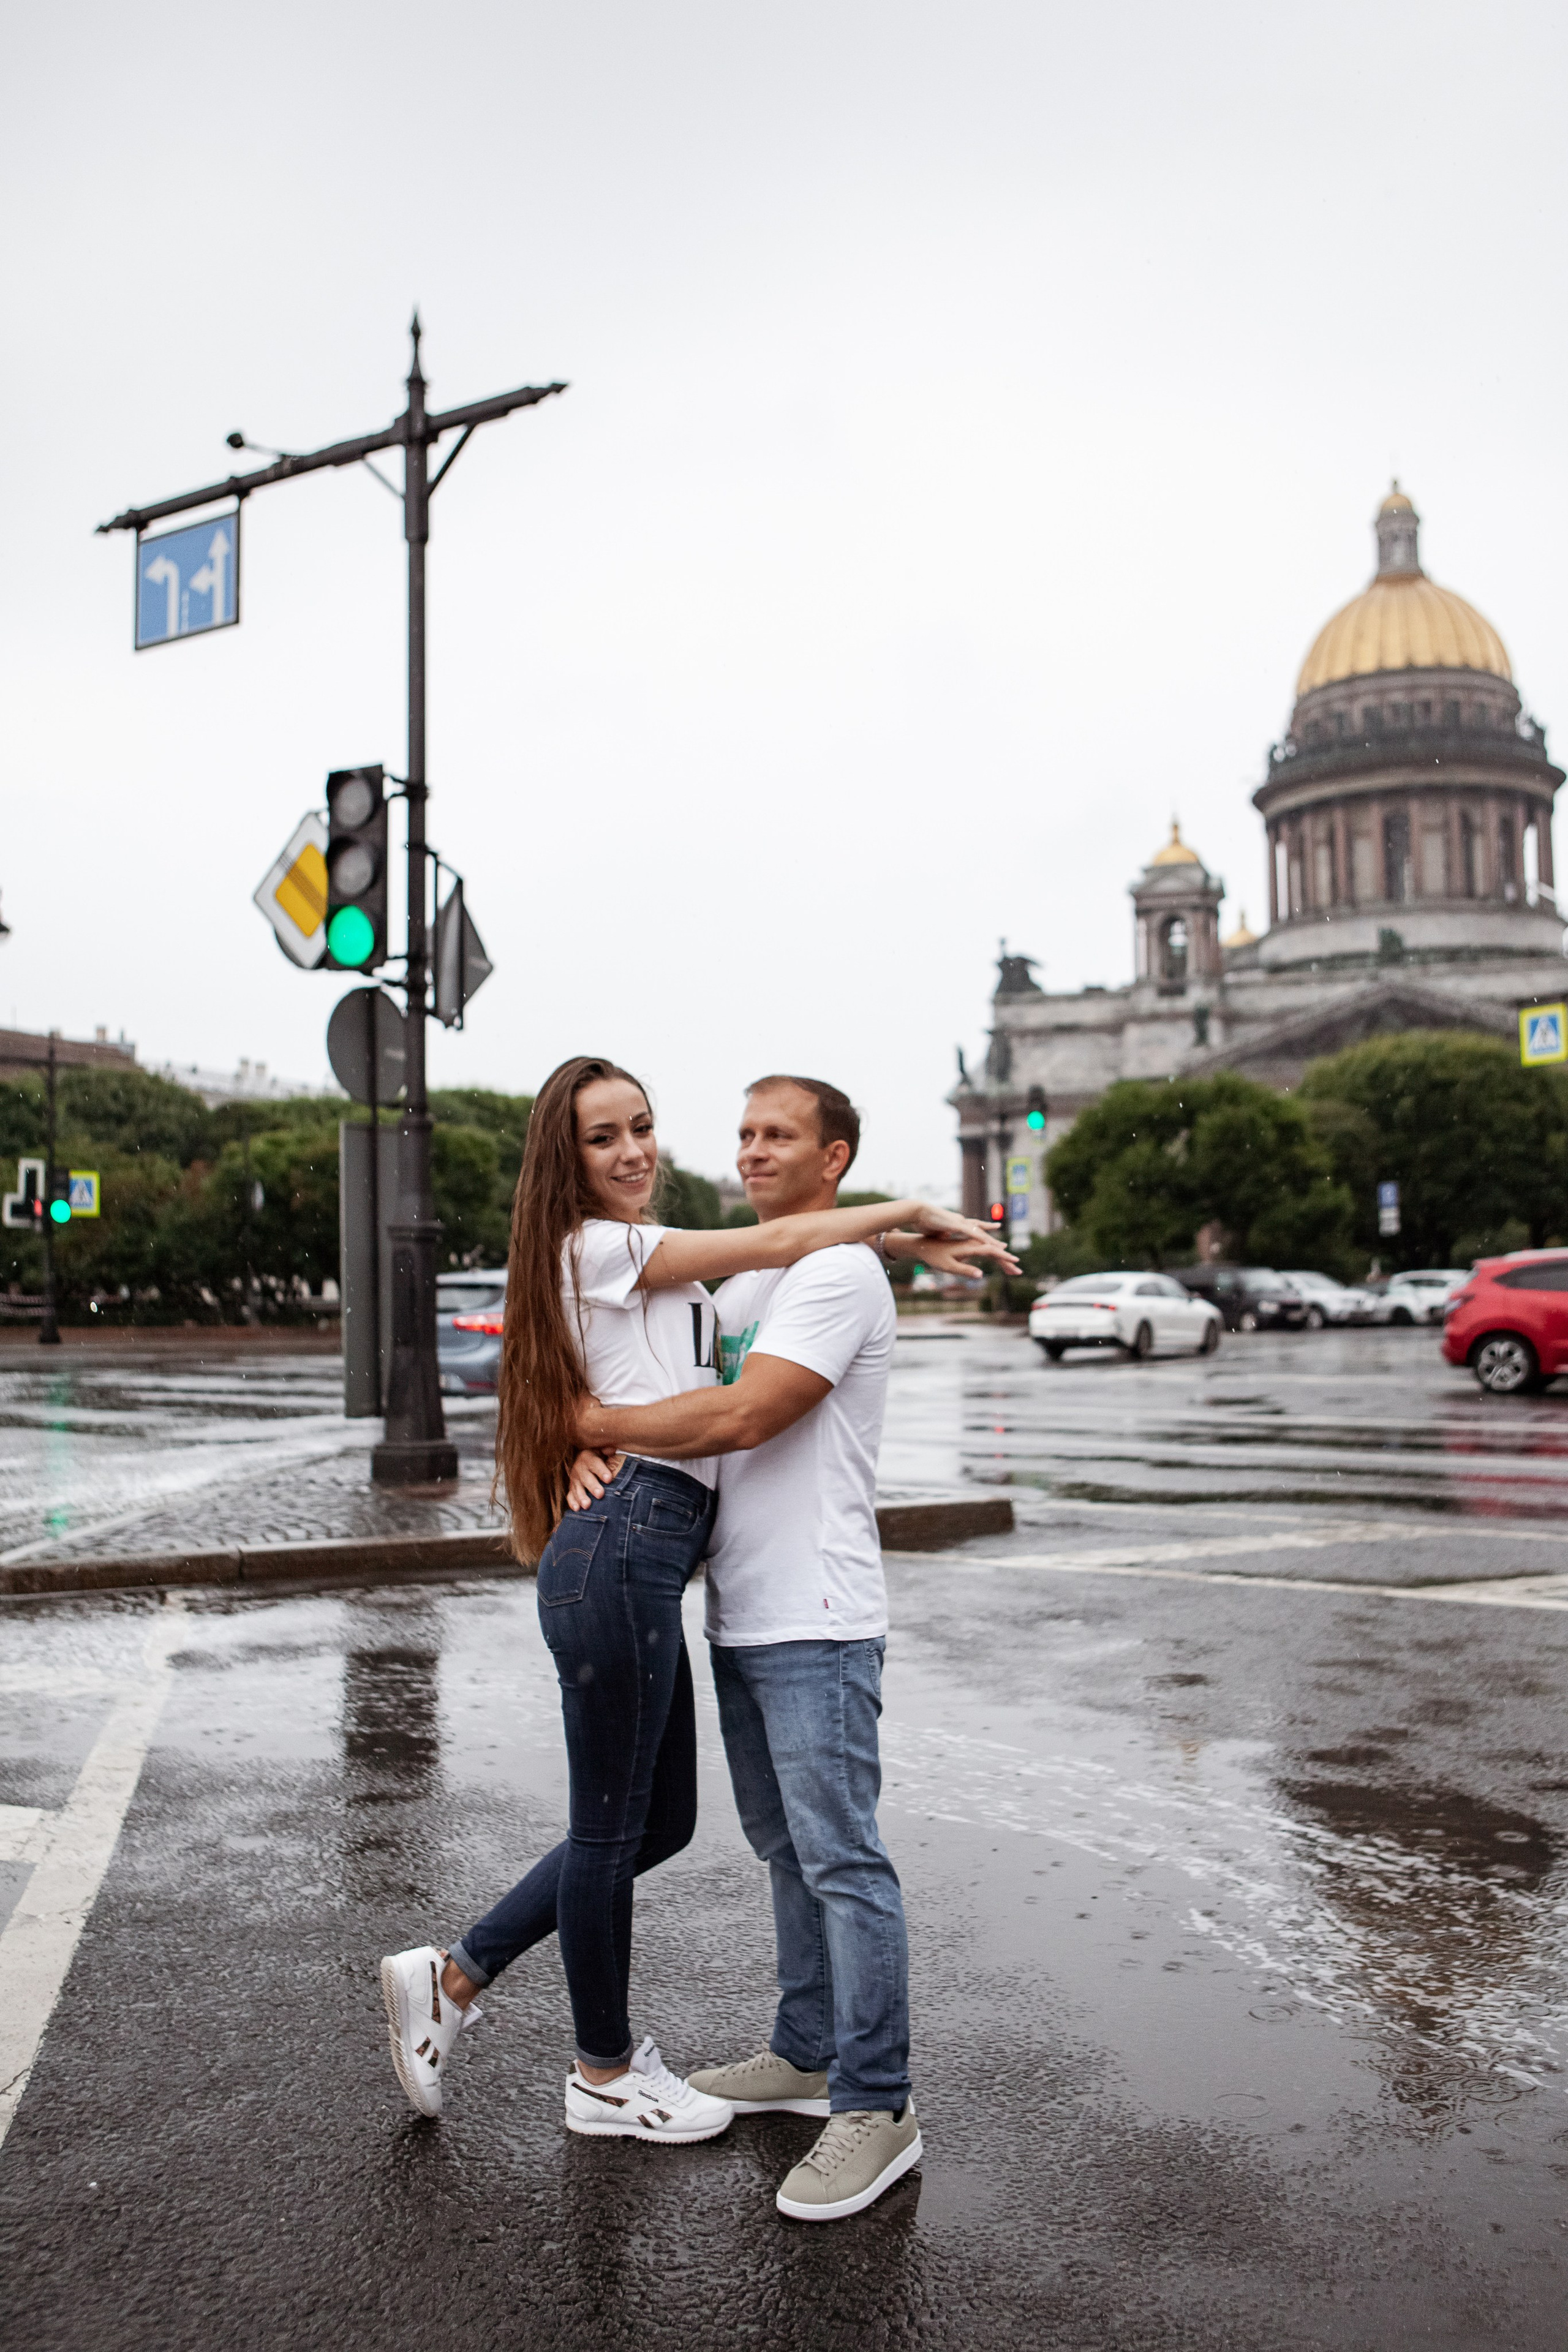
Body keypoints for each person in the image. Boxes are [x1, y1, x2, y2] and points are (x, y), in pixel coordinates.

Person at [379, 1054, 993, 2147]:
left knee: (658, 1823)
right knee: (618, 1832)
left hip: (660, 1553)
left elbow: (763, 1279)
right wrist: (900, 1209)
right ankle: (602, 2072)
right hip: (631, 1543)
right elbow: (759, 1268)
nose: (634, 1152)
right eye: (603, 1138)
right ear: (563, 1164)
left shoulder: (677, 1268)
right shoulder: (604, 1245)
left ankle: (457, 1975)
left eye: (643, 1128)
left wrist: (584, 1423)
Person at [567, 1074, 1016, 2216]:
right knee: (782, 1850)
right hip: (743, 1610)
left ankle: (878, 2104)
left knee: (843, 1860)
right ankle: (806, 2052)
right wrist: (559, 1446)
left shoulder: (834, 1272)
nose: (753, 1152)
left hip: (818, 1615)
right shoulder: (758, 1269)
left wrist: (592, 1427)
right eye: (746, 1133)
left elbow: (742, 1415)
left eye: (781, 1137)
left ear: (835, 1160)